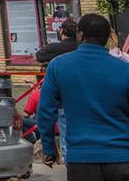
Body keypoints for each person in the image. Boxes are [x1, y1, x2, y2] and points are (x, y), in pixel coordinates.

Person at [38, 14, 129, 179]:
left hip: (81, 157)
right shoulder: (125, 69)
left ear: (80, 35)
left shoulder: (58, 66)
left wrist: (49, 148)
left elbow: (45, 111)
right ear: (108, 36)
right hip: (122, 156)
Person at [35, 19, 78, 160]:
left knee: (67, 141)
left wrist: (49, 148)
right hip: (84, 102)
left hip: (63, 102)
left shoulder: (55, 50)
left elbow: (39, 56)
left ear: (62, 31)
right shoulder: (81, 48)